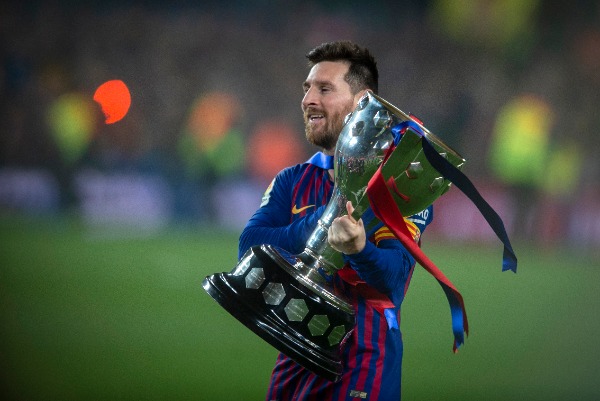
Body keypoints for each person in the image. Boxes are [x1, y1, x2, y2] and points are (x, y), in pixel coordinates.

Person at [238, 41, 433, 401]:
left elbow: (393, 280)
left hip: (363, 366)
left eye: (324, 89)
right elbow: (248, 247)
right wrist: (321, 222)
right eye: (307, 88)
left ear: (363, 102)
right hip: (293, 358)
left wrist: (359, 249)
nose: (309, 99)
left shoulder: (400, 186)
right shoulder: (293, 179)